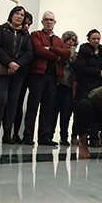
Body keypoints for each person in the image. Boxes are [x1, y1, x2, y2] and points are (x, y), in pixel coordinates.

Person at [23, 11, 70, 146]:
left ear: (55, 23)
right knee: (33, 107)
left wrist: (50, 48)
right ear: (42, 22)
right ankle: (28, 136)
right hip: (38, 76)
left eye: (51, 20)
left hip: (53, 77)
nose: (49, 22)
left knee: (48, 108)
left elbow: (66, 53)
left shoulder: (58, 40)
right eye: (46, 19)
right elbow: (38, 50)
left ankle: (44, 137)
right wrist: (56, 56)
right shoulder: (36, 35)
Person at [0, 5, 33, 144]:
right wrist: (9, 63)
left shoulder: (25, 35)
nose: (19, 16)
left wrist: (17, 64)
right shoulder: (2, 29)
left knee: (13, 101)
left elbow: (29, 53)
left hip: (19, 72)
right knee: (2, 98)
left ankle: (7, 133)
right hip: (3, 68)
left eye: (22, 15)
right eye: (17, 13)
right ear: (11, 15)